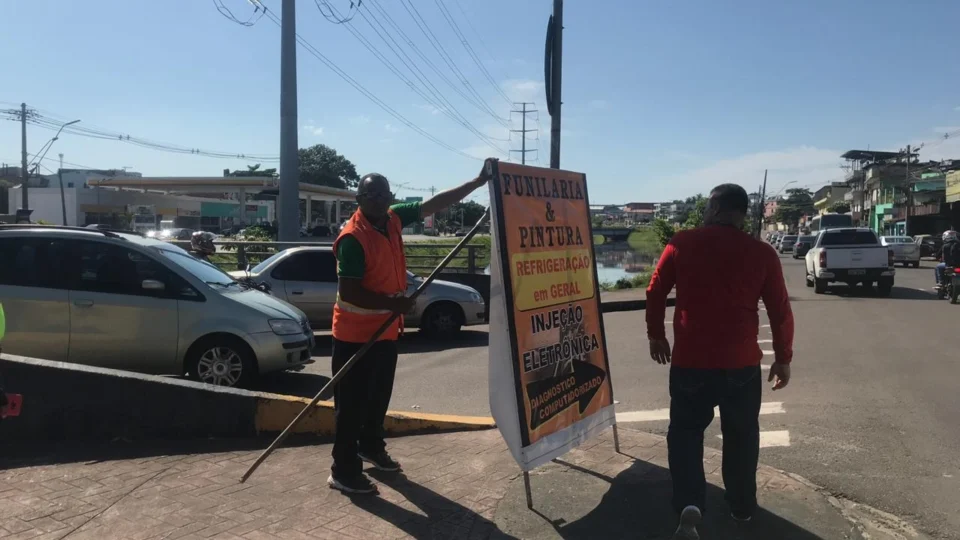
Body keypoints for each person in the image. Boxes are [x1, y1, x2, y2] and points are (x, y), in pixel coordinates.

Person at [645, 184, 795, 540]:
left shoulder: (681, 243)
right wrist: (783, 358)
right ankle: (741, 507)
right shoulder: (762, 253)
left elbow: (654, 290)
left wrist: (656, 335)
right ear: (743, 213)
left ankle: (689, 503)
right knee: (742, 437)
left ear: (713, 208)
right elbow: (780, 310)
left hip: (690, 363)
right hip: (741, 366)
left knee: (685, 433)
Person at [328, 169, 490, 495]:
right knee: (351, 407)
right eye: (370, 196)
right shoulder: (353, 238)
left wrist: (475, 182)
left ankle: (371, 446)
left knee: (377, 400)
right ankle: (343, 471)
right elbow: (349, 293)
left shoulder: (392, 219)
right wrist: (394, 306)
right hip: (354, 335)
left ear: (390, 199)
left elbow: (434, 204)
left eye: (383, 196)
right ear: (359, 199)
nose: (377, 201)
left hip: (385, 332)